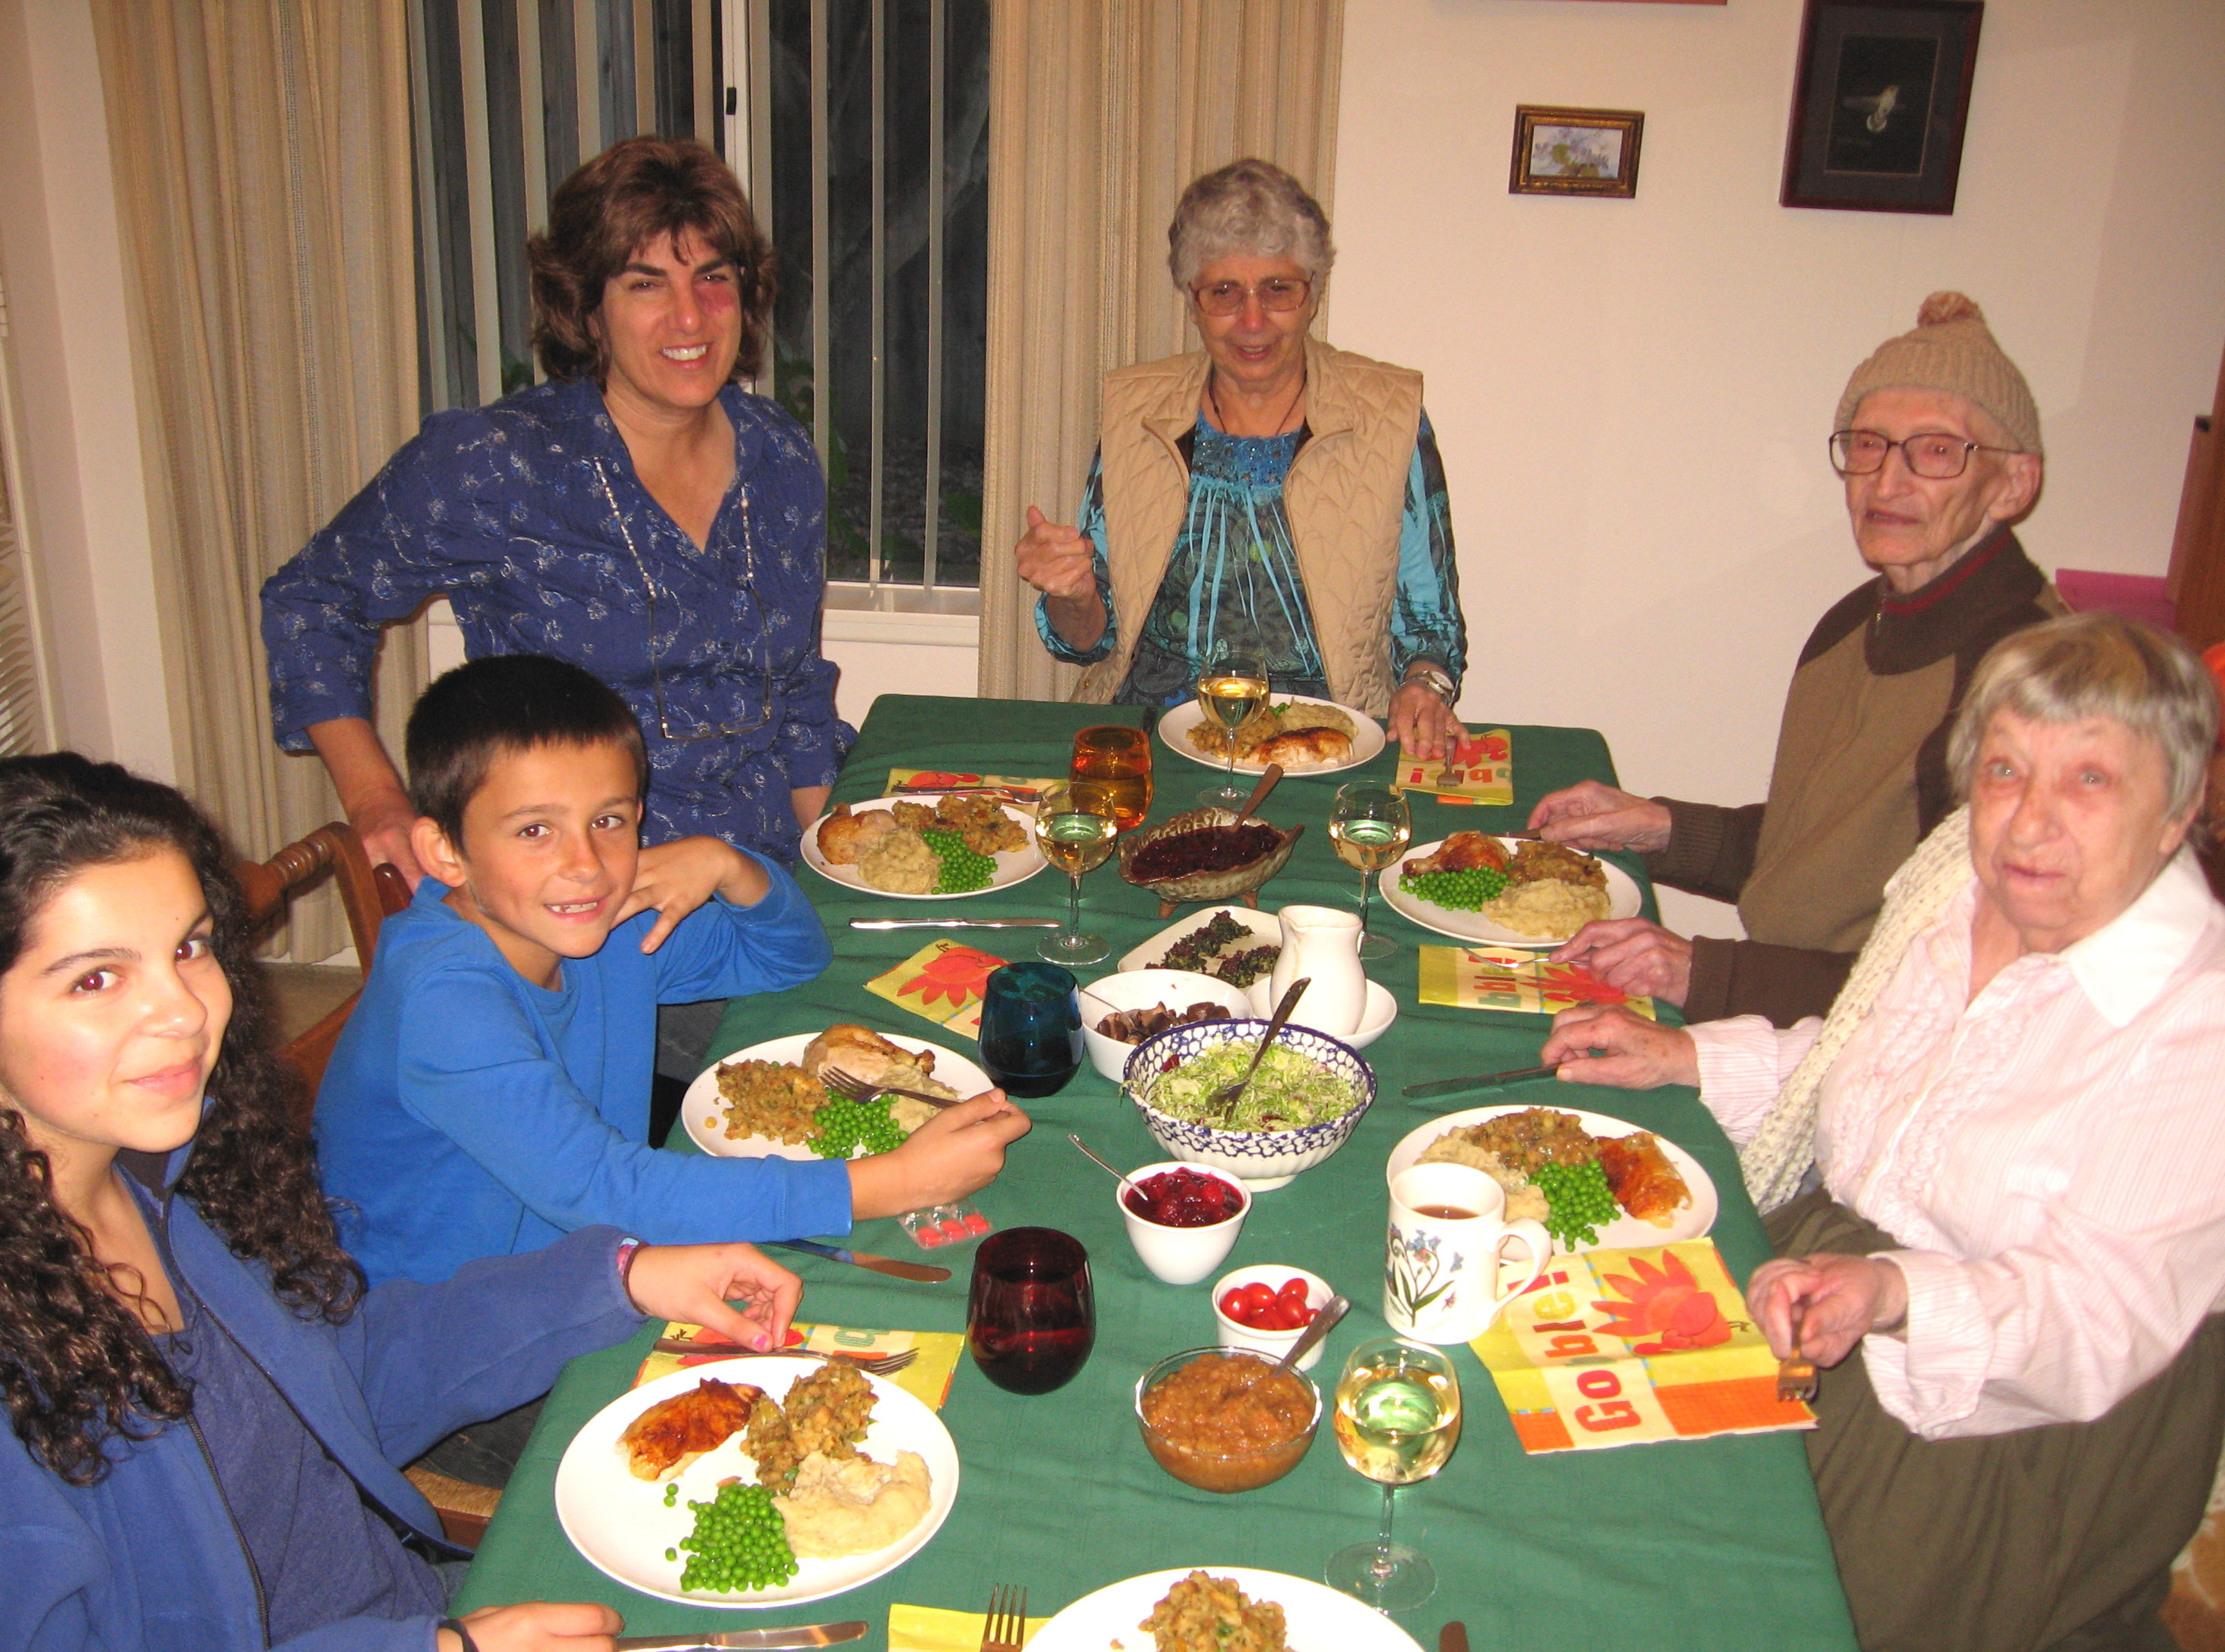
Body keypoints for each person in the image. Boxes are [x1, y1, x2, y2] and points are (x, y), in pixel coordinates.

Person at [0, 751, 807, 1652]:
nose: (182, 1011)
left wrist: (622, 1276)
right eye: (96, 979)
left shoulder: (145, 1185)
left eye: (191, 948)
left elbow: (331, 1376)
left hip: (420, 1633)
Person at [1543, 614, 2225, 1652]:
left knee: (1742, 1650)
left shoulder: (2195, 1023)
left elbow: (2098, 1316)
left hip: (2006, 1428)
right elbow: (1860, 1066)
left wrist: (1902, 1293)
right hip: (1833, 1278)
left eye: (2090, 777)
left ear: (2180, 806)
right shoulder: (1965, 900)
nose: (2031, 818)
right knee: (1600, 1476)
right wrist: (1688, 1055)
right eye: (2005, 770)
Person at [314, 654, 1026, 1286]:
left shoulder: (601, 924)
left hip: (590, 1262)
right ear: (444, 854)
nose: (585, 865)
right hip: (456, 1336)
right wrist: (886, 1183)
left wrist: (728, 865)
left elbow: (787, 958)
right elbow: (605, 1189)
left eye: (609, 821)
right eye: (535, 831)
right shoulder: (444, 1000)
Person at [262, 135, 849, 886]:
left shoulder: (779, 457)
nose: (691, 317)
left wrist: (838, 868)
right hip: (583, 896)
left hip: (759, 875)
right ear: (588, 312)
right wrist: (376, 800)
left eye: (713, 277)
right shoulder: (499, 462)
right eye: (645, 285)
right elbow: (310, 598)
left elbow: (795, 691)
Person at [1529, 293, 2057, 1025]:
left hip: (1871, 1060)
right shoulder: (1852, 626)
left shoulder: (2029, 686)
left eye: (1936, 451)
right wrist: (1658, 827)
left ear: (2012, 483)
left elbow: (1983, 983)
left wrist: (1707, 972)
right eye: (1869, 444)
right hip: (1793, 1018)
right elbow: (1822, 851)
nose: (1888, 481)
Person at [1015, 158, 1470, 762]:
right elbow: (1086, 643)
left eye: (1278, 289)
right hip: (1151, 735)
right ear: (1193, 300)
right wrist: (1072, 595)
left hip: (1325, 740)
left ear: (1312, 293)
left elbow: (1434, 629)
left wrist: (1424, 687)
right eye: (1224, 292)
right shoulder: (1137, 411)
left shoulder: (1388, 414)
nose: (1253, 321)